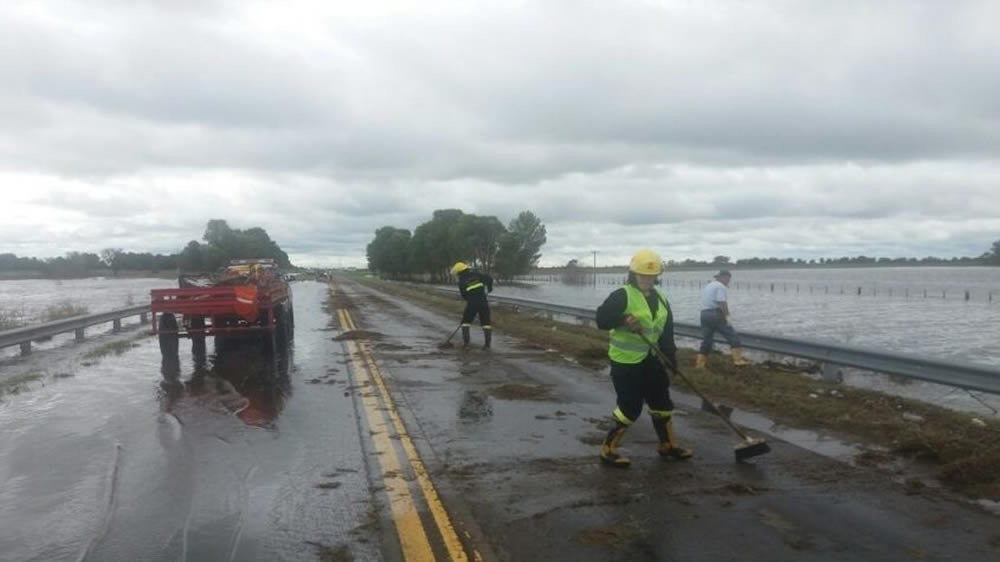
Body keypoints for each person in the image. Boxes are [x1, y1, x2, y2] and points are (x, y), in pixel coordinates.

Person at [594, 248, 693, 468]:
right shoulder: (622, 295)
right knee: (630, 407)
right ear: (633, 274)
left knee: (662, 403)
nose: (647, 279)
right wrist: (622, 319)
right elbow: (601, 319)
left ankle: (667, 445)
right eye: (643, 275)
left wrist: (671, 359)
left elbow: (666, 332)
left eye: (652, 275)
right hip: (625, 361)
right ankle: (608, 449)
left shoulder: (662, 298)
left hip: (650, 358)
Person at [697, 270, 749, 369]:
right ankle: (738, 361)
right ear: (724, 277)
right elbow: (722, 302)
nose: (728, 281)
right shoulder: (720, 286)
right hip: (715, 314)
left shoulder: (709, 285)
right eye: (728, 279)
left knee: (707, 340)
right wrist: (727, 316)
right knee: (732, 336)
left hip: (704, 314)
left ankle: (700, 365)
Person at [451, 261, 494, 349]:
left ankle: (466, 344)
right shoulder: (477, 274)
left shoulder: (462, 280)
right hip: (483, 302)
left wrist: (470, 300)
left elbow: (464, 295)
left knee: (465, 323)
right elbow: (490, 279)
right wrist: (489, 289)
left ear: (459, 272)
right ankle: (487, 345)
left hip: (472, 304)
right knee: (486, 323)